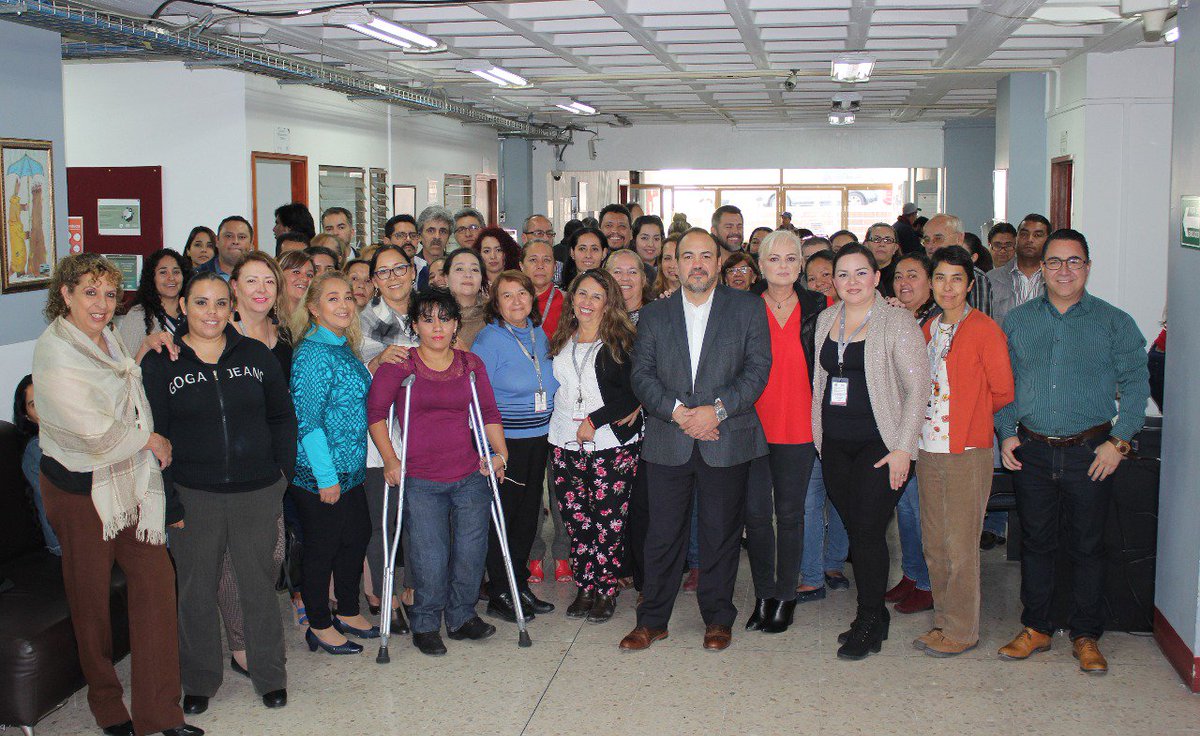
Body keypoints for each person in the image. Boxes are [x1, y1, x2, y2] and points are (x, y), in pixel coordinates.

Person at [33, 253, 202, 736]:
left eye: (110, 294)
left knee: (156, 584)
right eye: (90, 292)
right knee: (91, 605)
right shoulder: (55, 350)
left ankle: (160, 713)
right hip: (78, 489)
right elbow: (90, 429)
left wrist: (143, 348)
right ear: (65, 295)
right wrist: (150, 440)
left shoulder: (108, 338)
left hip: (127, 482)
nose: (102, 303)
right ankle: (107, 705)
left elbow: (124, 385)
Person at [995, 228, 1149, 675]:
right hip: (1032, 451)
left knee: (1088, 546)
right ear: (1042, 269)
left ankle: (1086, 635)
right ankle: (1036, 627)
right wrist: (1006, 433)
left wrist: (1120, 441)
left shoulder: (1114, 322)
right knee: (1036, 543)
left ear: (1087, 267)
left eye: (1074, 261)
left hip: (1091, 453)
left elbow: (1137, 384)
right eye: (1055, 261)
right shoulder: (1018, 321)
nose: (1064, 270)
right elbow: (1004, 385)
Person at [141, 272, 295, 713]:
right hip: (193, 495)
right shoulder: (162, 362)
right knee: (195, 591)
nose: (211, 312)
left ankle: (270, 676)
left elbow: (282, 417)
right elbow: (155, 435)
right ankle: (199, 681)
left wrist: (280, 477)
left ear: (232, 308)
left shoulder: (256, 355)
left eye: (221, 303)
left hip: (257, 491)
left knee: (258, 587)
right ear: (183, 306)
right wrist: (169, 501)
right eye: (201, 302)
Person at [621, 228, 771, 653]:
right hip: (669, 436)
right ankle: (652, 621)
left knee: (720, 532)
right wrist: (678, 413)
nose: (698, 264)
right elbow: (641, 375)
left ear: (719, 262)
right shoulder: (655, 314)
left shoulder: (747, 308)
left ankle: (718, 618)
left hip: (725, 435)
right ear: (675, 264)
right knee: (662, 534)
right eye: (688, 256)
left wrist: (715, 411)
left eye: (706, 256)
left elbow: (757, 370)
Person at [367, 289, 507, 656]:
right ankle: (426, 623)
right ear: (414, 325)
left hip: (469, 474)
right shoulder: (400, 365)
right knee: (430, 556)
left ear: (457, 324)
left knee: (472, 550)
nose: (437, 327)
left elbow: (489, 413)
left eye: (445, 319)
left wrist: (501, 454)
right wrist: (391, 460)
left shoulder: (470, 364)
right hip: (421, 479)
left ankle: (462, 617)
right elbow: (376, 414)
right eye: (427, 320)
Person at [811, 243, 929, 660]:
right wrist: (820, 439)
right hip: (835, 444)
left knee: (866, 531)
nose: (852, 281)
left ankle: (867, 619)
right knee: (856, 527)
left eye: (861, 273)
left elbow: (918, 388)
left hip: (881, 446)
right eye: (843, 274)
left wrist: (903, 449)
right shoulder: (826, 319)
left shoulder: (896, 321)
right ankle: (875, 614)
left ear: (877, 277)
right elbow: (821, 382)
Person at [911, 246, 1013, 657]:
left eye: (957, 279)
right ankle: (943, 621)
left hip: (966, 450)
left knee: (960, 546)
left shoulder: (985, 329)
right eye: (940, 278)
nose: (947, 287)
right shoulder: (929, 328)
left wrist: (970, 416)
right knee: (935, 544)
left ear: (970, 284)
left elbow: (1003, 390)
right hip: (927, 449)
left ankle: (962, 630)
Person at [288, 271, 375, 656]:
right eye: (333, 298)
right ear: (313, 308)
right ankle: (320, 624)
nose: (344, 305)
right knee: (322, 547)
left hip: (350, 469)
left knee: (356, 535)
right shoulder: (312, 353)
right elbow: (308, 422)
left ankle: (349, 610)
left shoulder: (341, 344)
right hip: (320, 473)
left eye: (347, 297)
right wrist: (326, 477)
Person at [548, 269, 642, 624]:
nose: (587, 302)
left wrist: (596, 419)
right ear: (572, 297)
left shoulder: (621, 342)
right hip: (563, 442)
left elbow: (636, 392)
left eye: (596, 296)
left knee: (608, 523)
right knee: (577, 521)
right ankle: (585, 586)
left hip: (610, 446)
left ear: (608, 303)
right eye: (582, 294)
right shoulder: (562, 338)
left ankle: (606, 590)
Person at [744, 230, 823, 633]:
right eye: (774, 259)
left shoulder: (819, 307)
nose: (783, 266)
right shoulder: (742, 306)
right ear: (760, 265)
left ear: (801, 265)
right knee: (757, 516)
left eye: (791, 258)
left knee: (791, 515)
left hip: (799, 426)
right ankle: (763, 594)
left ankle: (786, 596)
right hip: (751, 426)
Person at [472, 270, 560, 622]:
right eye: (506, 295)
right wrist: (490, 450)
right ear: (496, 303)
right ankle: (499, 591)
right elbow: (478, 399)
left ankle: (518, 584)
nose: (516, 301)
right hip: (505, 444)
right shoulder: (488, 340)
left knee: (528, 518)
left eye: (521, 293)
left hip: (538, 440)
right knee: (504, 519)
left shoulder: (539, 333)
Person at [358, 244, 418, 626]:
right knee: (384, 521)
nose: (393, 277)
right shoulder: (364, 319)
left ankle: (412, 587)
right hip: (381, 433)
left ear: (412, 271)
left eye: (400, 268)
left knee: (417, 517)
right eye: (384, 271)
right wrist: (377, 360)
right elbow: (361, 372)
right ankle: (385, 597)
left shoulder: (428, 312)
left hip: (422, 430)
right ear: (375, 281)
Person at [885, 250, 936, 612]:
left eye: (913, 275)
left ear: (930, 283)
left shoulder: (938, 322)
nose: (904, 282)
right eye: (899, 276)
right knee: (904, 507)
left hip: (930, 431)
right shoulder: (893, 318)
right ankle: (912, 573)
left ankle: (929, 583)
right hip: (897, 429)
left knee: (921, 510)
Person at [15, 374, 60, 555]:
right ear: (27, 416)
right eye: (34, 404)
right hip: (63, 538)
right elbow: (60, 497)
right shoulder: (36, 449)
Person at [116, 248, 188, 356]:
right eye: (163, 272)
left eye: (176, 272)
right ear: (152, 278)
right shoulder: (137, 315)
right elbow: (127, 363)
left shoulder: (193, 312)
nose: (171, 278)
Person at [921, 214, 992, 315]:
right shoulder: (919, 274)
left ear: (959, 239)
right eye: (927, 240)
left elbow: (981, 322)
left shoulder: (976, 277)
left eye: (938, 239)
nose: (930, 245)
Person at [988, 213, 1050, 327]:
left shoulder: (1056, 279)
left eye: (1037, 235)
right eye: (1024, 234)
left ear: (1048, 240)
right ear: (1016, 239)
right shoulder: (991, 279)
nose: (1030, 240)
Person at [442, 248, 488, 349]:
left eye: (474, 270)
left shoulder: (494, 315)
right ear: (446, 278)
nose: (468, 275)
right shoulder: (433, 314)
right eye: (459, 269)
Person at [522, 240, 565, 338]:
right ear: (521, 266)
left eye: (546, 260)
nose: (540, 266)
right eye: (533, 260)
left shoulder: (568, 302)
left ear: (554, 267)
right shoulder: (509, 301)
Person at [197, 215, 252, 280]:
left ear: (251, 244)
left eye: (242, 237)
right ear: (217, 241)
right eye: (229, 236)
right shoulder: (196, 276)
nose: (235, 241)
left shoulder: (261, 276)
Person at [605, 248, 653, 321]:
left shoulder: (658, 314)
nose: (625, 278)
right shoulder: (597, 316)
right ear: (606, 278)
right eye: (617, 272)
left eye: (632, 272)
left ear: (643, 279)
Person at [415, 205, 454, 291]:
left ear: (448, 237)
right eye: (431, 231)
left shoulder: (455, 266)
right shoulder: (412, 267)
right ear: (419, 236)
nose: (437, 236)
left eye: (443, 231)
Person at [560, 225, 606, 291]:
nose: (588, 255)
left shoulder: (611, 290)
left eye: (594, 249)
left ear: (604, 253)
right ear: (572, 252)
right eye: (582, 249)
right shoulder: (560, 293)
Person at [277, 249, 314, 325]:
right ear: (279, 275)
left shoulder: (316, 320)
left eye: (309, 275)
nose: (305, 279)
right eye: (296, 272)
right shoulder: (265, 316)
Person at [864, 223, 900, 298]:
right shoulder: (858, 273)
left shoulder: (901, 275)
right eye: (876, 239)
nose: (882, 244)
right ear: (866, 245)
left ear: (895, 248)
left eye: (888, 240)